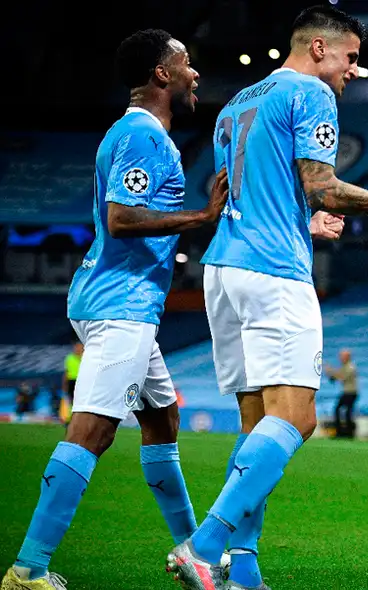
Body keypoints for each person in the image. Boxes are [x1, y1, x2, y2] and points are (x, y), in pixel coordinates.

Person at [166, 6, 368, 590]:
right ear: (319, 48)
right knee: (297, 417)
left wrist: (304, 224)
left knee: (254, 427)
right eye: (350, 58)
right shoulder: (314, 95)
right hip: (272, 273)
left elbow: (260, 193)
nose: (353, 71)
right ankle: (206, 545)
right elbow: (324, 188)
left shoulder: (238, 101)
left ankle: (243, 572)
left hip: (223, 269)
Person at [2, 29, 229, 590]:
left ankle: (192, 551)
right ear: (160, 74)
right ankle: (28, 569)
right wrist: (201, 218)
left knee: (162, 419)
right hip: (119, 303)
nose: (194, 72)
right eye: (184, 62)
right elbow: (123, 218)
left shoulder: (141, 134)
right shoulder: (141, 135)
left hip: (129, 303)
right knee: (92, 433)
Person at [325, 349, 359, 436]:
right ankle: (347, 432)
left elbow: (340, 377)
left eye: (342, 356)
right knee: (346, 412)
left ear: (347, 357)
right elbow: (336, 377)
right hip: (349, 392)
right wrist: (331, 374)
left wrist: (330, 371)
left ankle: (342, 432)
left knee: (340, 410)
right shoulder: (346, 366)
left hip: (350, 392)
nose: (340, 358)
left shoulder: (350, 367)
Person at [61, 341, 83, 409]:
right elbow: (66, 372)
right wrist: (64, 384)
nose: (77, 349)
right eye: (76, 347)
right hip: (71, 381)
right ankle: (71, 415)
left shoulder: (85, 357)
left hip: (81, 381)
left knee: (81, 399)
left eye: (79, 347)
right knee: (71, 400)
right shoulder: (69, 358)